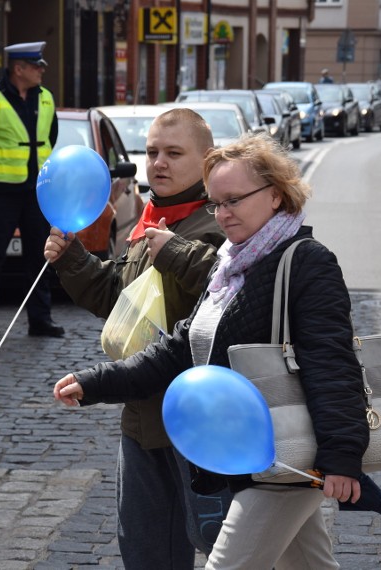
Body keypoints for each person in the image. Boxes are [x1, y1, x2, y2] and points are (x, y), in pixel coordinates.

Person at [53, 132, 370, 570]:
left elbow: (332, 362)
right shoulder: (230, 266)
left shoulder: (307, 262)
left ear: (276, 196)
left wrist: (341, 455)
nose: (222, 214)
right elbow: (178, 350)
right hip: (258, 455)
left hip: (288, 452)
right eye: (216, 203)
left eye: (234, 200)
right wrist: (95, 382)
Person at [44, 107, 227, 568]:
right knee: (146, 551)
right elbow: (119, 299)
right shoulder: (150, 222)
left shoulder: (221, 223)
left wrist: (174, 251)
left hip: (199, 423)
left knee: (223, 548)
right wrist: (72, 258)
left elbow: (228, 291)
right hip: (143, 419)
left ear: (206, 160)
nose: (158, 163)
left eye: (173, 153)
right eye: (151, 153)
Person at [0, 41, 63, 342]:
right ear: (18, 69)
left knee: (40, 257)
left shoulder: (45, 98)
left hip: (37, 192)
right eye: (36, 66)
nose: (41, 71)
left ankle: (40, 320)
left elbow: (50, 137)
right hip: (1, 193)